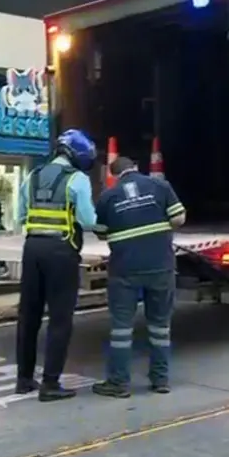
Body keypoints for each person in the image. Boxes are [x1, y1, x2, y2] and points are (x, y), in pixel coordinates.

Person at [91, 156, 185, 398]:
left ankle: (119, 383)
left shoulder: (107, 197)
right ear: (136, 167)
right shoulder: (160, 186)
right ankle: (160, 380)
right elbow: (178, 218)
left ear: (114, 175)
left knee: (121, 329)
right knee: (160, 327)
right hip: (160, 267)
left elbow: (100, 233)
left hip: (125, 271)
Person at [15, 129, 98, 402]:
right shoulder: (78, 179)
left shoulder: (32, 176)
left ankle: (24, 378)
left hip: (32, 249)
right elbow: (87, 221)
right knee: (60, 319)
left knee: (29, 316)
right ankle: (50, 383)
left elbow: (20, 215)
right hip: (61, 252)